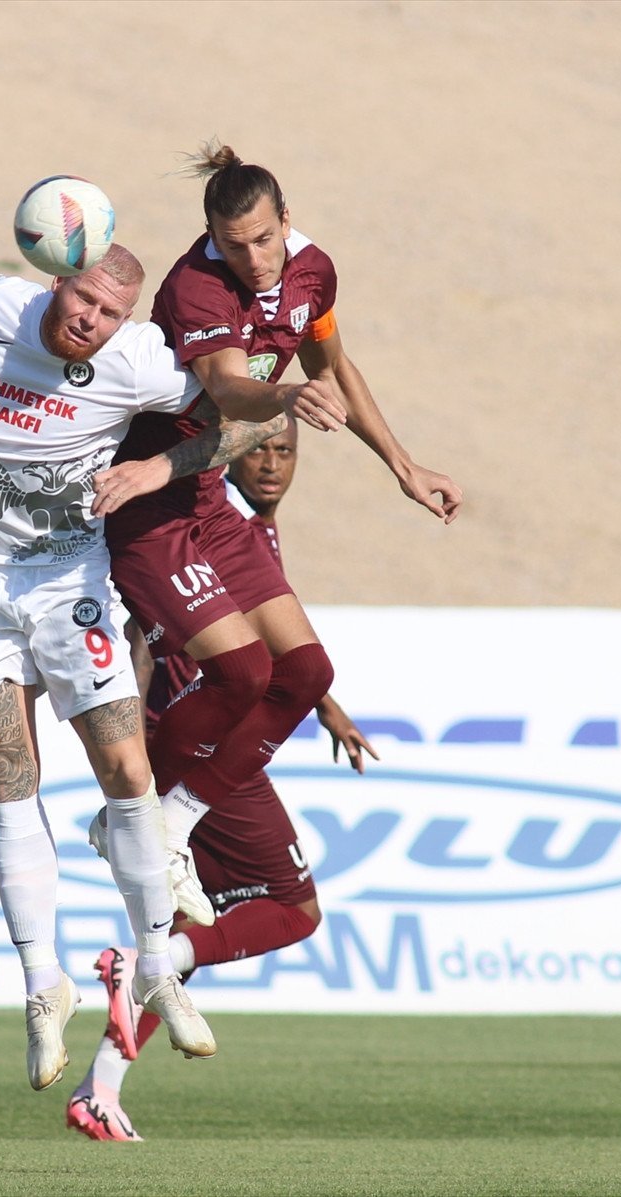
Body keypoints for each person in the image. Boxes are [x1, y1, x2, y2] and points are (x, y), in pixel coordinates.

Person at [0, 245, 337, 1089]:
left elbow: (250, 421)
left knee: (124, 765)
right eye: (84, 303)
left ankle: (155, 964)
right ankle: (43, 987)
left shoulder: (140, 360)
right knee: (10, 769)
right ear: (56, 284)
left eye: (111, 313)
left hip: (68, 580)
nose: (92, 322)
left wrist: (159, 464)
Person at [90, 143, 463, 914]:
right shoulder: (196, 287)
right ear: (209, 240)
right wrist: (288, 396)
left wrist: (402, 463)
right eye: (235, 245)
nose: (254, 258)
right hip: (152, 503)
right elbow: (227, 387)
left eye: (264, 239)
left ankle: (171, 822)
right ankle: (130, 815)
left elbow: (337, 364)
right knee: (243, 674)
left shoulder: (312, 270)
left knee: (304, 674)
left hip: (207, 497)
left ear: (286, 220)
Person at [67, 418, 379, 1142]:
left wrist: (324, 704)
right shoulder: (211, 519)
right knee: (293, 908)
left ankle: (100, 1089)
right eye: (259, 447)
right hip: (204, 746)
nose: (271, 463)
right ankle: (147, 962)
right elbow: (146, 632)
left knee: (195, 917)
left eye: (285, 451)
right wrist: (132, 764)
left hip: (210, 742)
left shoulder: (254, 533)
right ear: (224, 454)